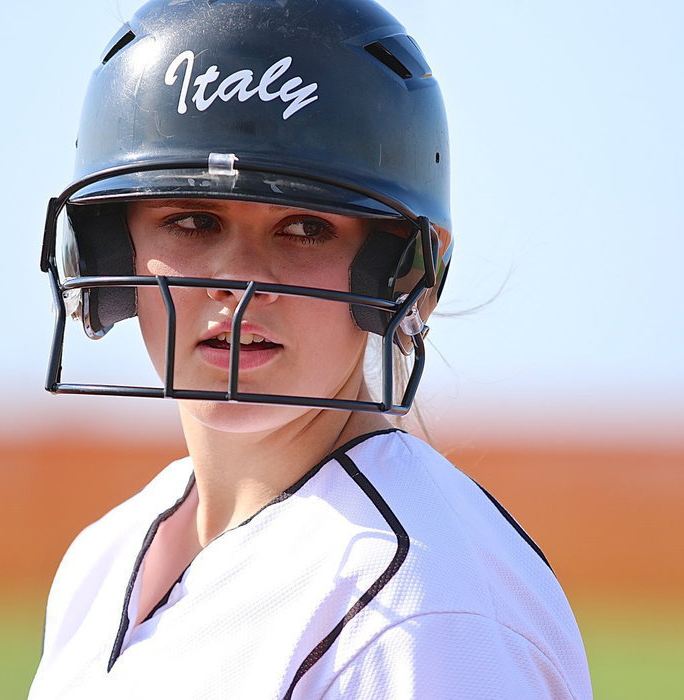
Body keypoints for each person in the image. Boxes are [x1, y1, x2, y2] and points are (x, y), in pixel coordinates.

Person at [31, 0, 592, 697]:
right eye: (192, 220)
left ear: (401, 271)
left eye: (304, 228)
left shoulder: (421, 611)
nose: (239, 284)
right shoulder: (104, 557)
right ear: (110, 248)